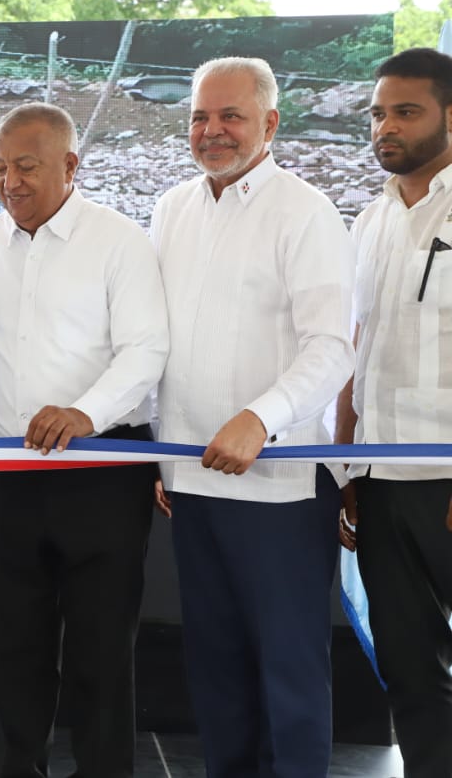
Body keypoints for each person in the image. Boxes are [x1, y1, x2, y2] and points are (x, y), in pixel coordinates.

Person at [0, 102, 169, 778]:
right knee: (14, 649)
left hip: (101, 471)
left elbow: (145, 350)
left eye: (26, 167)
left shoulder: (118, 240)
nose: (9, 181)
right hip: (9, 470)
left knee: (101, 654)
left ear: (70, 166)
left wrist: (83, 413)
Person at [150, 56, 354, 777]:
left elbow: (334, 346)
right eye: (201, 117)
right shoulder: (171, 208)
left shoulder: (305, 211)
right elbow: (159, 342)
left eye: (230, 116)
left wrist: (260, 419)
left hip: (279, 490)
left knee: (290, 674)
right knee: (217, 667)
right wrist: (162, 450)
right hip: (191, 482)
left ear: (270, 123)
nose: (212, 131)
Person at [337, 47, 452, 778]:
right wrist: (346, 467)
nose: (385, 126)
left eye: (405, 111)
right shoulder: (370, 219)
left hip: (445, 477)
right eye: (378, 112)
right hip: (380, 482)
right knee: (411, 671)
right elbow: (354, 349)